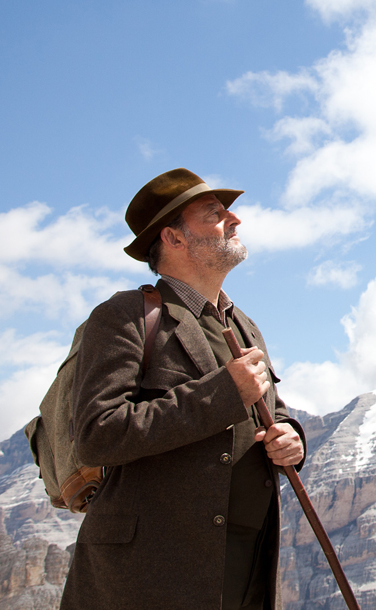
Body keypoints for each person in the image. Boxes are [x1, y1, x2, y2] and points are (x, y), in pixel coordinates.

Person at [60, 168, 306, 610]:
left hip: (246, 562)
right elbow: (98, 433)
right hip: (151, 575)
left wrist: (291, 438)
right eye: (214, 213)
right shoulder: (125, 316)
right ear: (174, 239)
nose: (234, 219)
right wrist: (222, 393)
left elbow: (271, 409)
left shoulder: (244, 325)